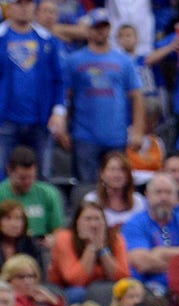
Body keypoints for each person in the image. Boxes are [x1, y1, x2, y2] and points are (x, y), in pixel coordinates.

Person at [62, 8, 144, 182]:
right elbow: (67, 96)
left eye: (104, 26)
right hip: (84, 135)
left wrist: (138, 130)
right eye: (96, 27)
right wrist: (64, 128)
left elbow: (137, 96)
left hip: (116, 135)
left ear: (109, 29)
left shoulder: (124, 60)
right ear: (89, 29)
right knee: (86, 187)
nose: (101, 30)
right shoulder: (74, 60)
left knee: (117, 184)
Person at [0, 1, 65, 178]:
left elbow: (59, 80)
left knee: (42, 177)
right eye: (19, 3)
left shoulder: (47, 40)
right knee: (2, 178)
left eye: (28, 3)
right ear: (9, 7)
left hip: (40, 121)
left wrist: (58, 111)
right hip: (4, 121)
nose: (24, 8)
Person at [121, 174, 179, 296]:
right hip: (146, 290)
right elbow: (142, 263)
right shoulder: (135, 224)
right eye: (158, 192)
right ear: (147, 195)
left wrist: (159, 254)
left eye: (168, 193)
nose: (163, 197)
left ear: (176, 197)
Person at [0, 146, 64, 242]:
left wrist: (52, 239)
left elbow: (58, 229)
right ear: (9, 171)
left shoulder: (49, 193)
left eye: (31, 177)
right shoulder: (1, 193)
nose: (27, 182)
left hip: (41, 247)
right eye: (22, 178)